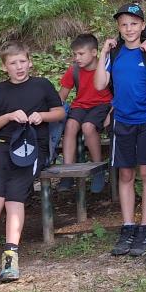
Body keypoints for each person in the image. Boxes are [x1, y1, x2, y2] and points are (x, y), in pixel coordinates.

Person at [0, 41, 65, 282]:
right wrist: (8, 116)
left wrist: (42, 116)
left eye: (22, 61)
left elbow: (60, 112)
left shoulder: (42, 85)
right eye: (13, 63)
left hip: (32, 148)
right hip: (2, 147)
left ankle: (11, 255)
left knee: (14, 197)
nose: (19, 67)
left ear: (30, 62)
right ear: (4, 67)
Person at [95, 2, 146, 258]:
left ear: (143, 25)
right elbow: (100, 84)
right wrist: (103, 53)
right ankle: (128, 226)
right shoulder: (115, 53)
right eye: (124, 24)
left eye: (134, 24)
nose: (129, 28)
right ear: (118, 27)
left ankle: (145, 227)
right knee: (125, 174)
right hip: (122, 121)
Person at [57, 33, 114, 194]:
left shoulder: (105, 67)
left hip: (102, 105)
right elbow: (61, 96)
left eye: (81, 54)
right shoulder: (74, 70)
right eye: (75, 54)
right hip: (80, 105)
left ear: (94, 52)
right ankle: (67, 171)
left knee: (88, 127)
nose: (77, 58)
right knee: (70, 125)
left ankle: (98, 169)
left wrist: (111, 112)